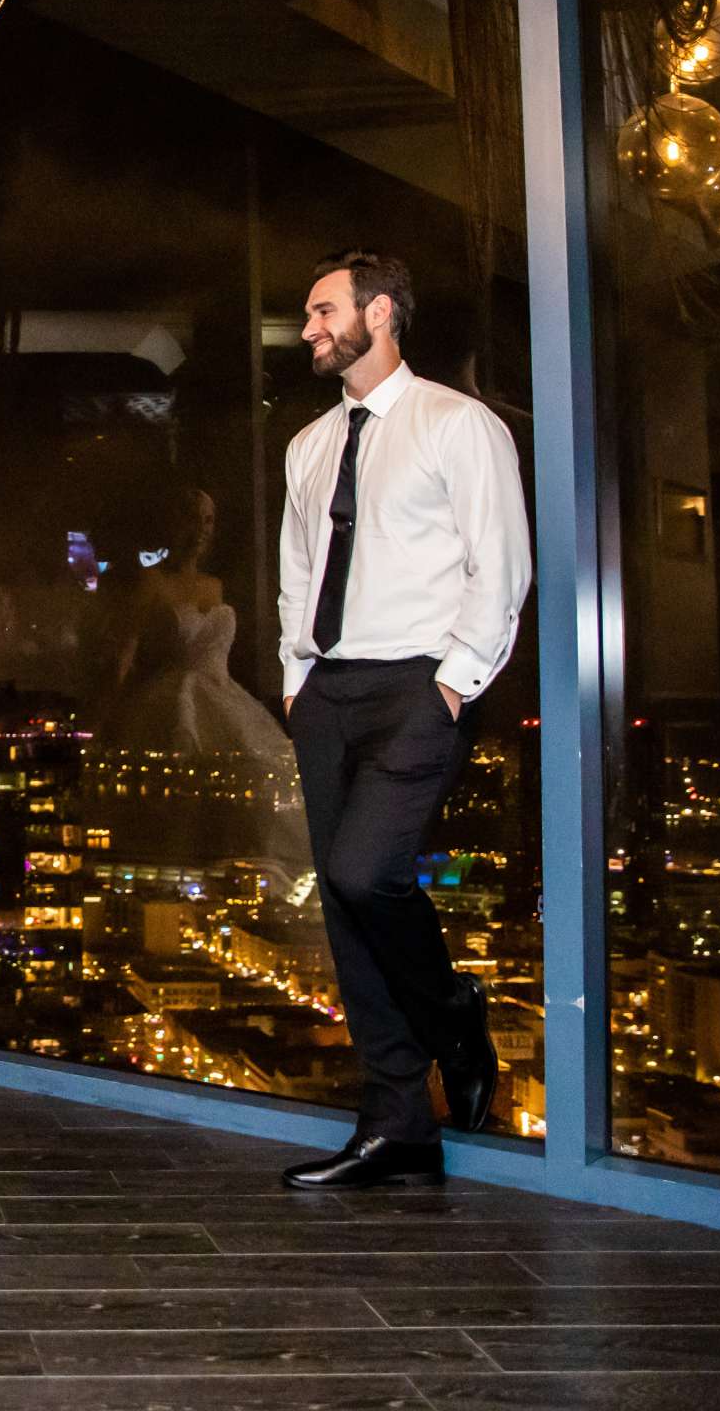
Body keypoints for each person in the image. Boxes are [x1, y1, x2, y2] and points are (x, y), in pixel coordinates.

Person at [275, 252, 531, 1190]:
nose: (308, 328)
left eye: (321, 309)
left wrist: (455, 683)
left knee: (362, 871)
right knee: (345, 913)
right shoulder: (307, 447)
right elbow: (297, 574)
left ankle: (455, 1014)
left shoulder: (458, 426)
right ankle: (395, 1124)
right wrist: (297, 676)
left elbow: (498, 566)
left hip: (418, 690)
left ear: (379, 313)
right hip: (329, 695)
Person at [105, 486, 310, 867]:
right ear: (171, 524)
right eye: (191, 518)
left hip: (223, 698)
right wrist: (112, 716)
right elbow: (126, 653)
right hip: (167, 705)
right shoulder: (150, 584)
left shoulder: (215, 586)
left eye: (208, 520)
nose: (200, 529)